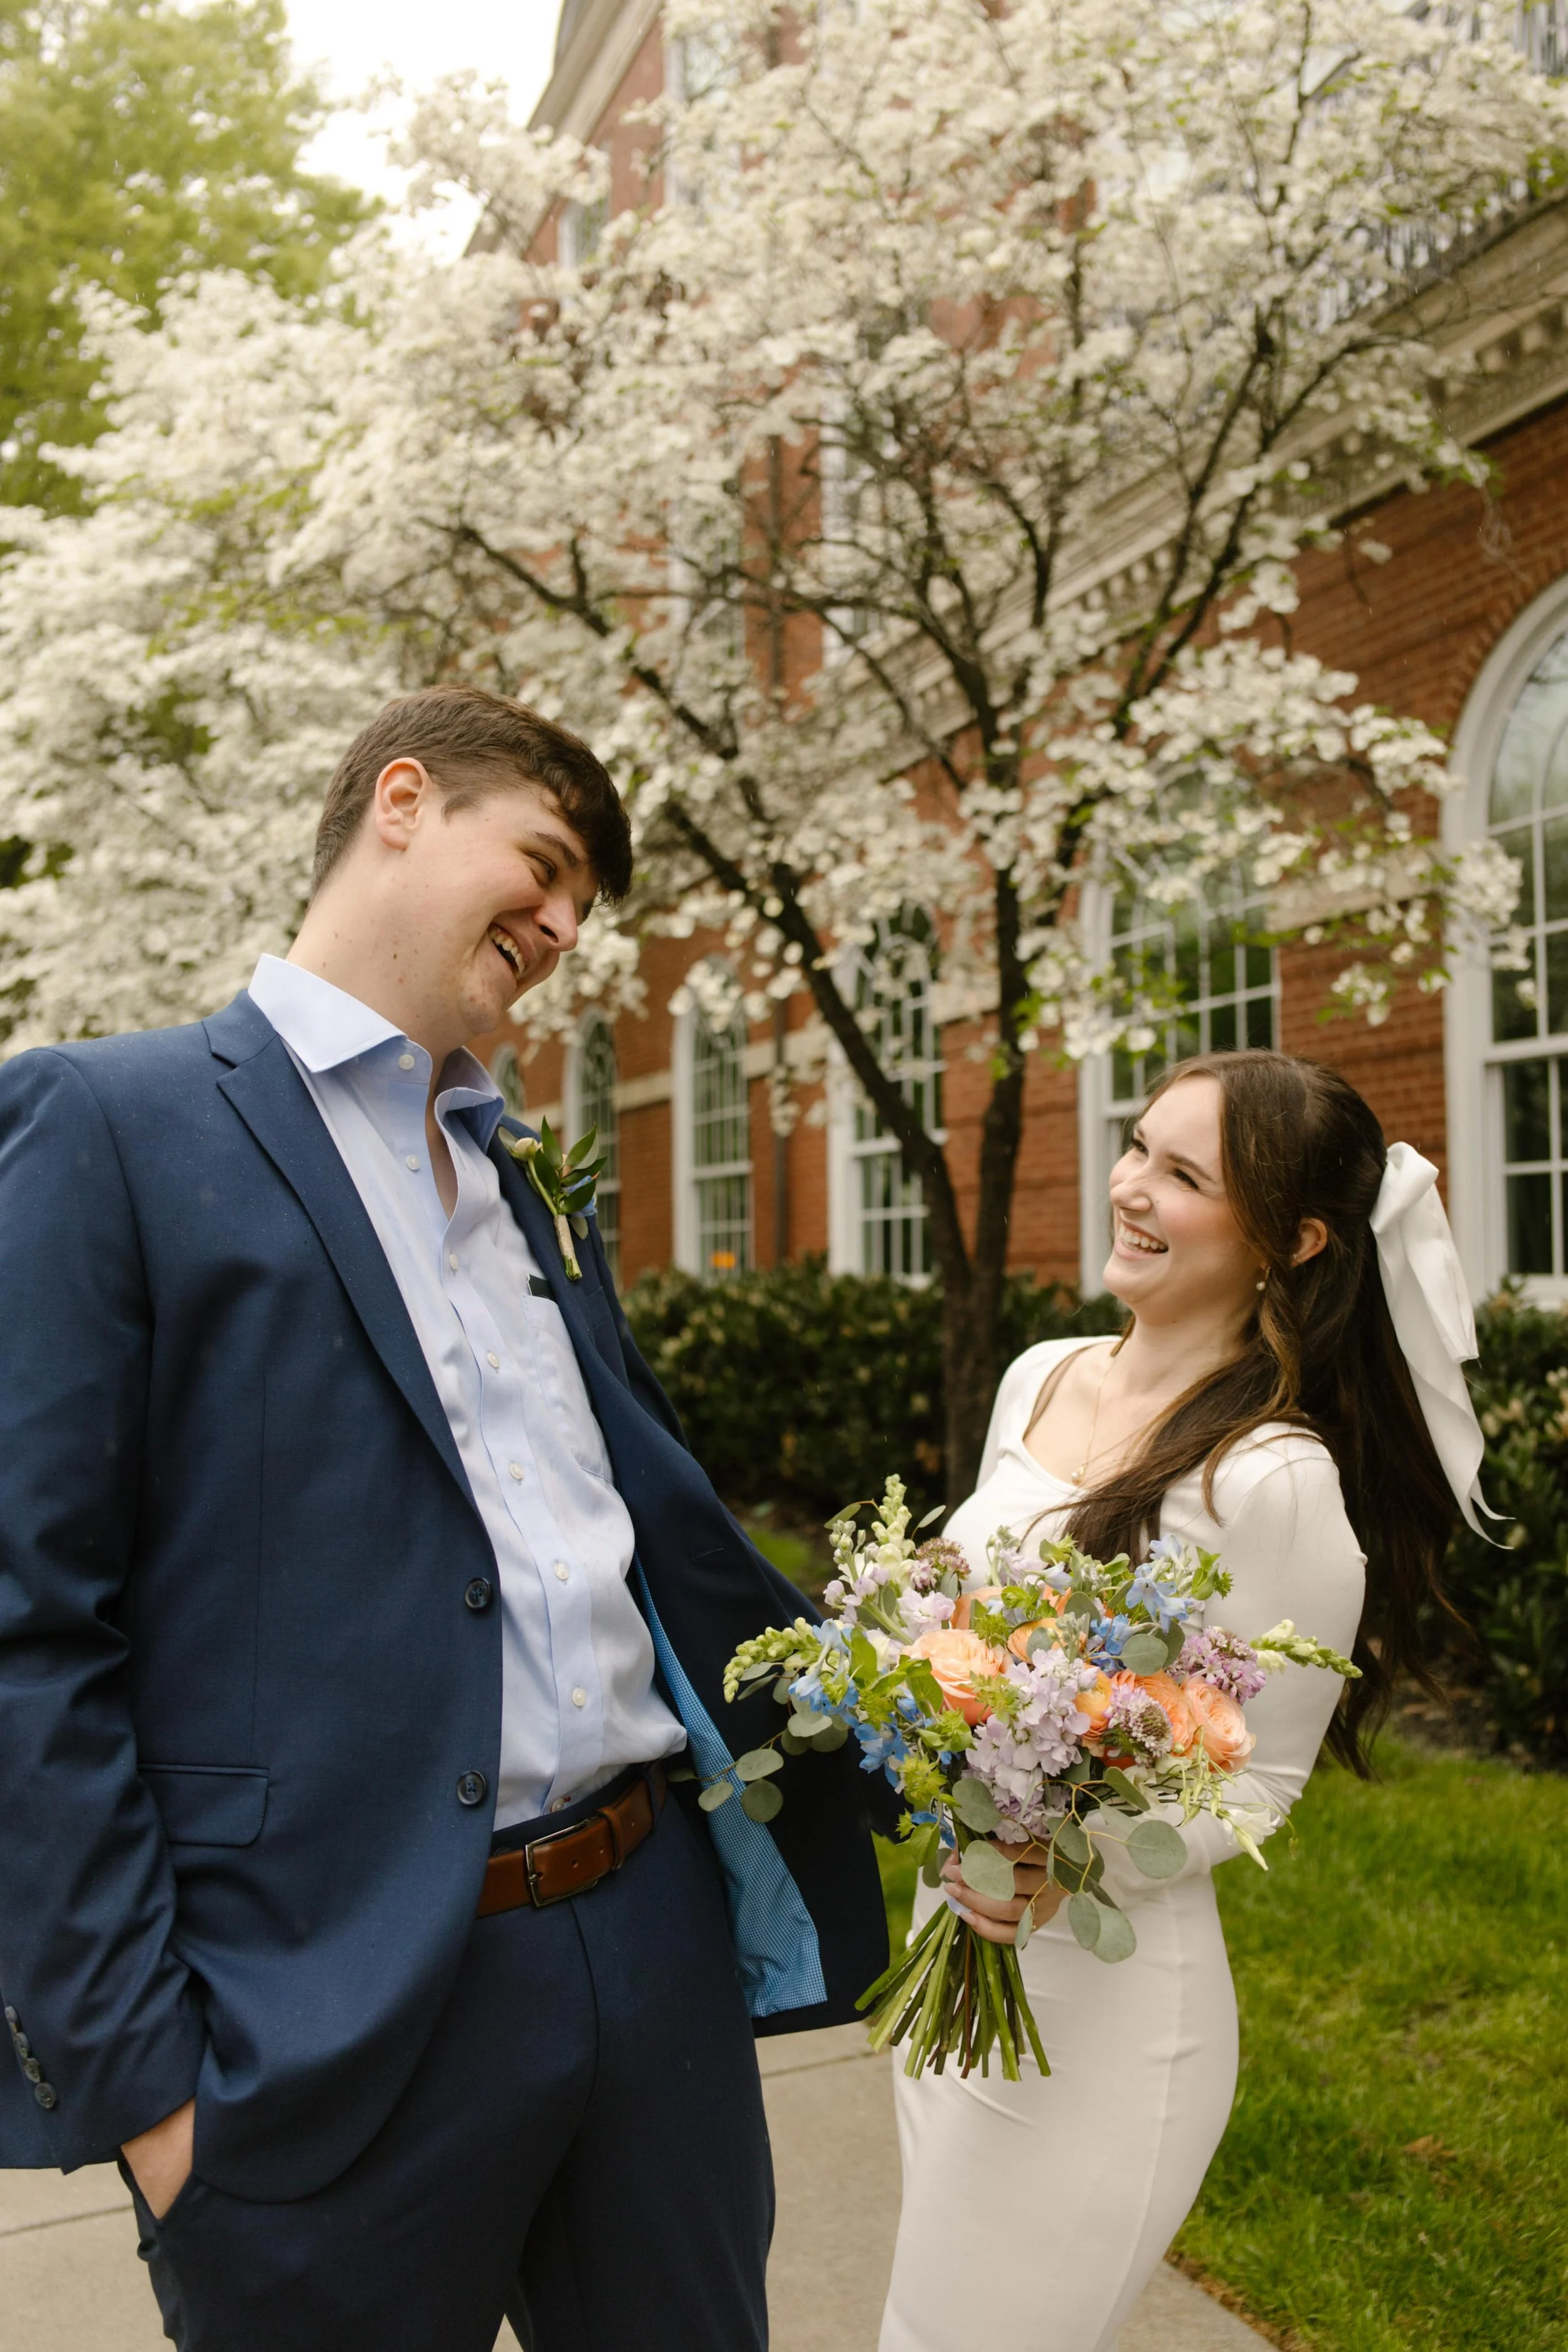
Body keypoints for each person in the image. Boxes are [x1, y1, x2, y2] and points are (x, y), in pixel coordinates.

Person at [0, 684, 891, 2352]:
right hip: (323, 2012)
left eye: (581, 905)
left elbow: (629, 1520)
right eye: (543, 864)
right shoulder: (106, 1123)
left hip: (649, 1941)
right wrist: (149, 2092)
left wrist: (904, 1714)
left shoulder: (520, 1168)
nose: (563, 925)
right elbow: (30, 1631)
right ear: (400, 800)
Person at [879, 1049, 1493, 2352]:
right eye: (1134, 1148)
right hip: (957, 1954)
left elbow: (1257, 1780)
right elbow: (957, 1606)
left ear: (1292, 1241)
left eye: (1182, 1175)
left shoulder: (1269, 1479)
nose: (1128, 1189)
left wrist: (1060, 1846)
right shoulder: (1039, 1375)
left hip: (1098, 2020)